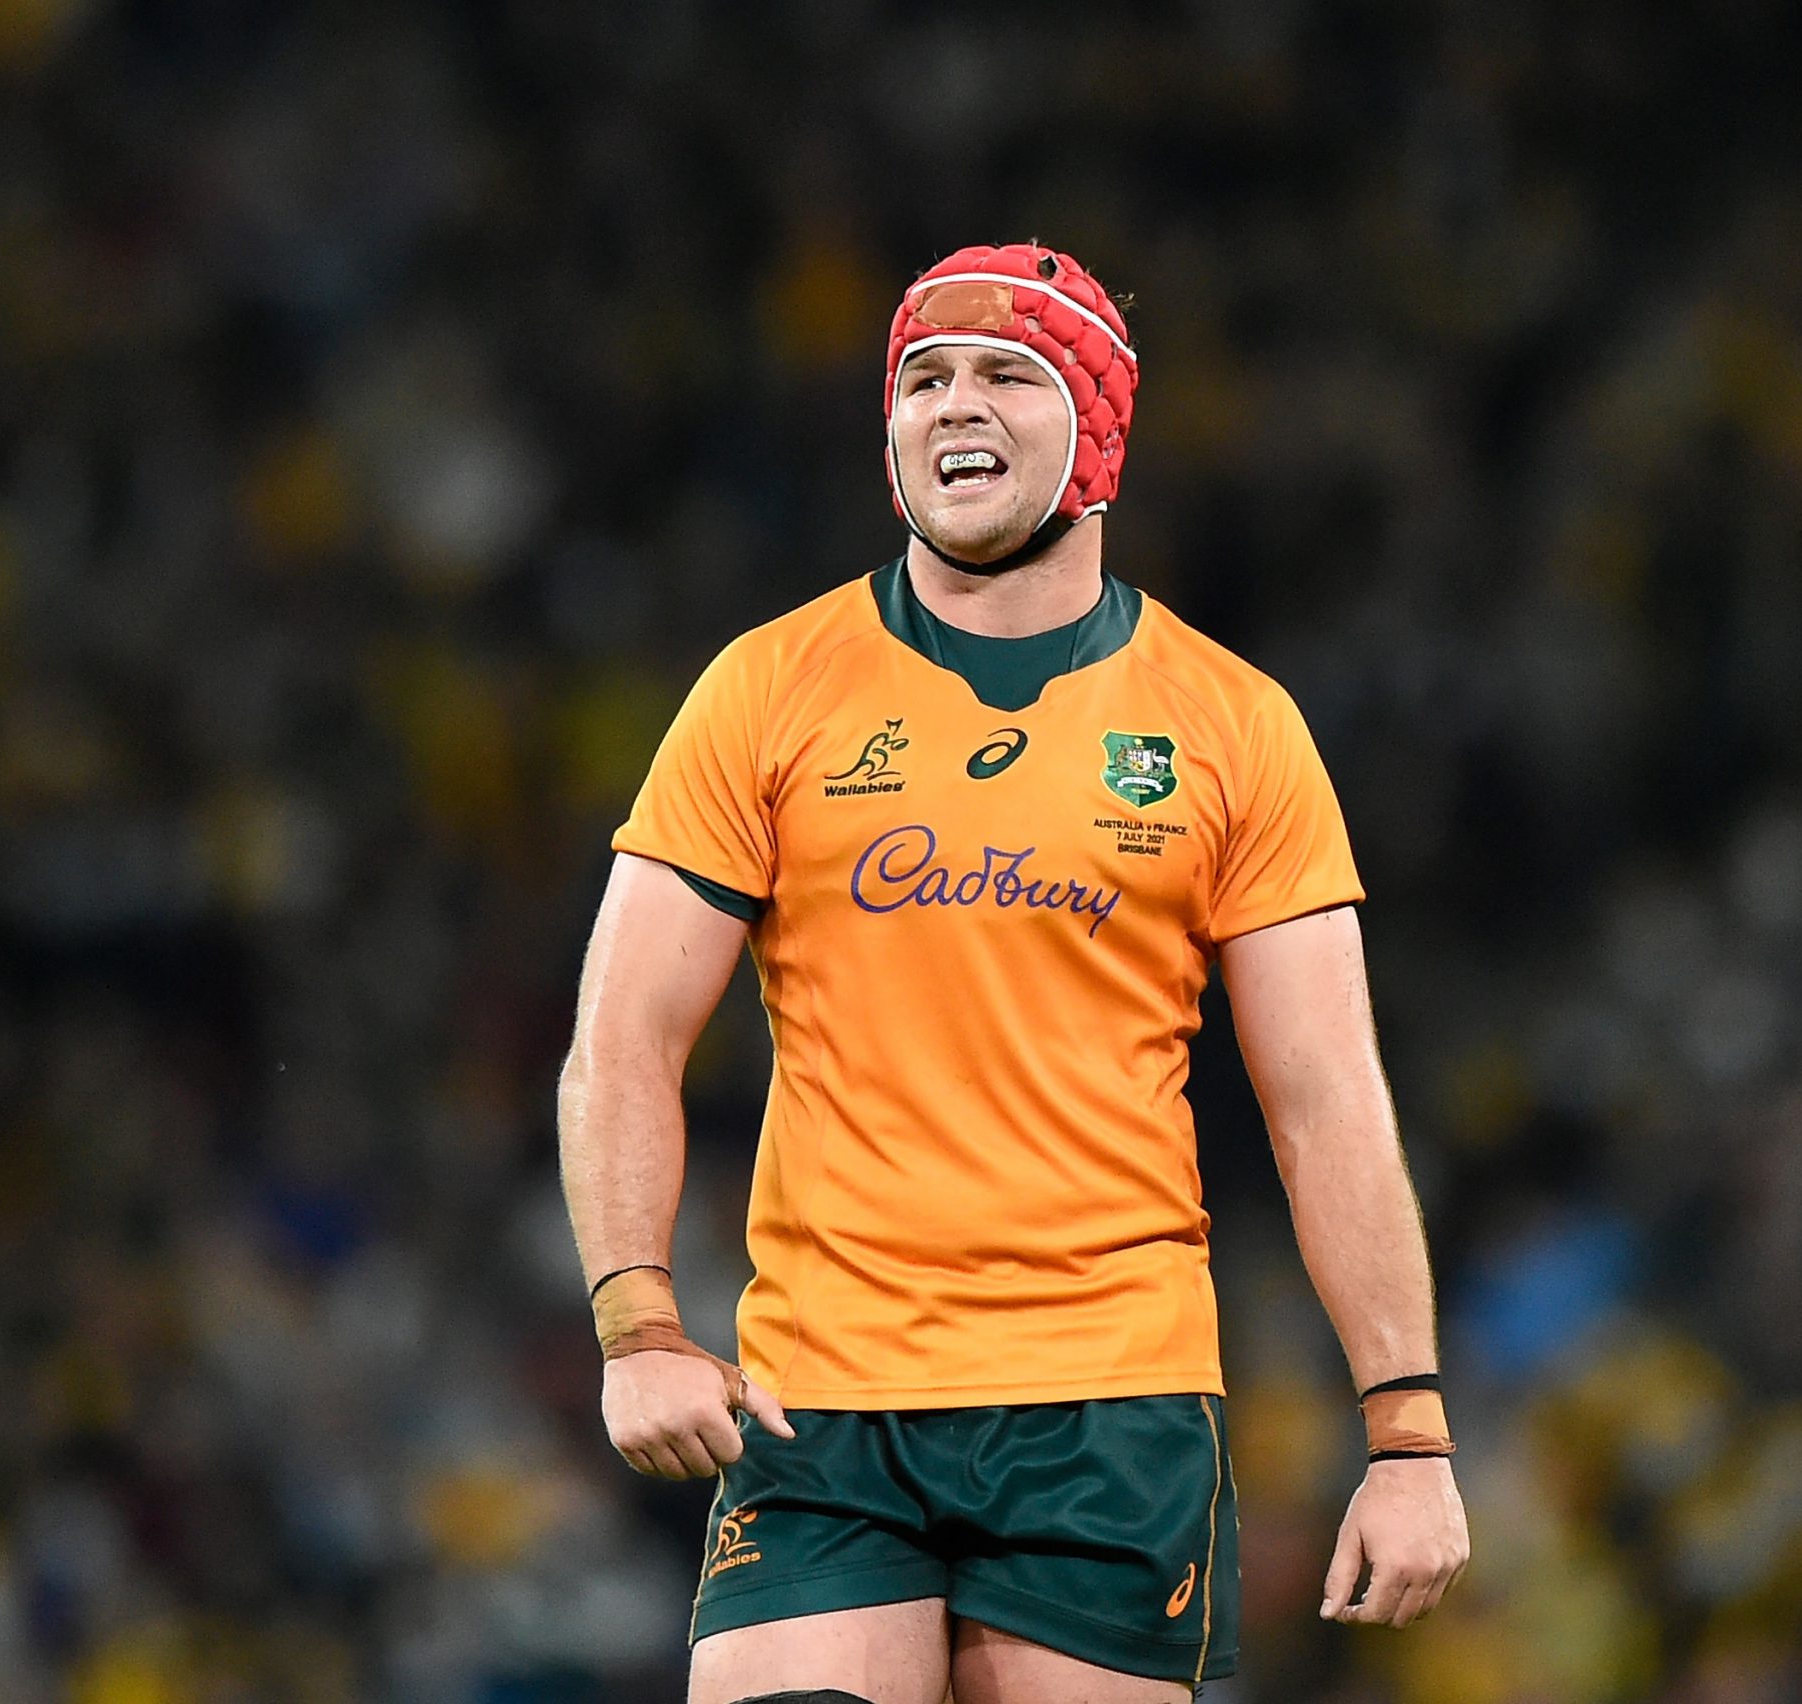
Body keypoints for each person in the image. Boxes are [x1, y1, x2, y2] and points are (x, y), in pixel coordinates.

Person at [557, 243, 1468, 1704]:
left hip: (1109, 1404)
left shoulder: (1234, 727)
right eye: (923, 378)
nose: (950, 406)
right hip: (822, 1403)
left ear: (1095, 426)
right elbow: (622, 1042)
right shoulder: (766, 689)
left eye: (1002, 375)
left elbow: (1326, 1102)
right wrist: (638, 1324)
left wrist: (1408, 1437)